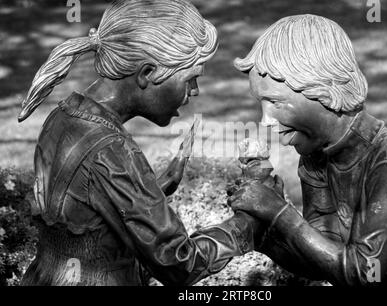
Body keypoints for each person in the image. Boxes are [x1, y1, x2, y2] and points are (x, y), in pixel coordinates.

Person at [19, 0, 260, 286]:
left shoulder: (62, 116)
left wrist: (152, 190)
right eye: (191, 79)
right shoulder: (113, 150)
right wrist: (245, 227)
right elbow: (178, 264)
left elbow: (87, 221)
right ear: (147, 74)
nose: (194, 92)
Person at [230, 14, 387, 286]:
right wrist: (265, 234)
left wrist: (280, 214)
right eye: (261, 104)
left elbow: (365, 273)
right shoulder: (314, 156)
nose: (265, 121)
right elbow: (325, 259)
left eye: (276, 102)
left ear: (326, 91)